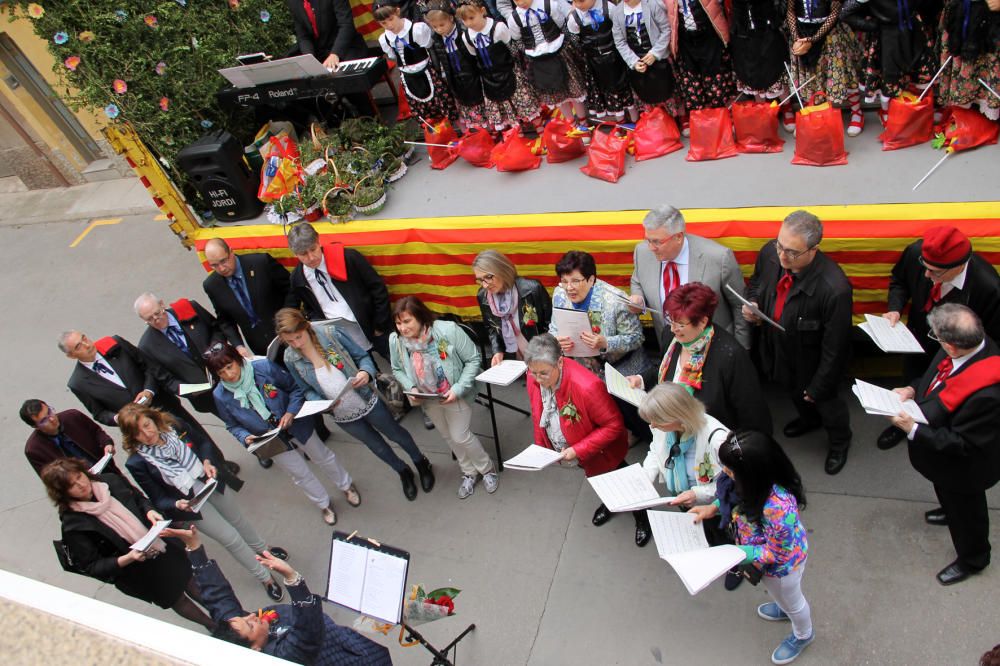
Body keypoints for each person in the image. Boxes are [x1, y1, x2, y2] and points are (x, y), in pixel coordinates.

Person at [118, 404, 287, 601]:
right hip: (192, 505)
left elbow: (204, 443)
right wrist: (176, 505)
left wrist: (207, 461)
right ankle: (265, 577)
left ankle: (263, 550)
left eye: (147, 425)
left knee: (239, 521)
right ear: (131, 437)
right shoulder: (137, 463)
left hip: (211, 482)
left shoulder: (174, 425)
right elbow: (158, 498)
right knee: (230, 538)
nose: (146, 434)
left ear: (153, 419)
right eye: (138, 433)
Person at [885, 304, 1000, 586]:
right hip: (944, 461)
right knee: (948, 496)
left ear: (951, 345)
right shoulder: (966, 346)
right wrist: (912, 389)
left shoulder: (988, 395)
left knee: (968, 514)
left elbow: (963, 445)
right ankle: (948, 510)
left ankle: (974, 558)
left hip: (964, 468)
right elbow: (934, 378)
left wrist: (912, 429)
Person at [163, 525, 392, 664]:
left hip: (342, 639)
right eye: (250, 626)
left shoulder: (237, 630)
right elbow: (308, 629)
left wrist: (194, 548)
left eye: (244, 618)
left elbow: (218, 597)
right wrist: (292, 579)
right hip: (350, 659)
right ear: (255, 650)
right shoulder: (284, 656)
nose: (251, 616)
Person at [276, 307, 435, 501]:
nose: (296, 344)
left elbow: (362, 356)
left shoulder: (330, 334)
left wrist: (365, 373)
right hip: (342, 414)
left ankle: (420, 461)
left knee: (396, 434)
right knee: (376, 446)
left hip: (366, 398)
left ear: (306, 326)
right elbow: (305, 389)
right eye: (289, 341)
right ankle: (403, 471)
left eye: (298, 337)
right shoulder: (290, 357)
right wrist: (321, 403)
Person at [41, 459, 215, 631]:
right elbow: (92, 566)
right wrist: (128, 558)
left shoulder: (109, 481)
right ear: (63, 493)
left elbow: (139, 499)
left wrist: (150, 511)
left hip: (160, 545)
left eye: (79, 476)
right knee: (177, 599)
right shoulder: (74, 524)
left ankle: (225, 616)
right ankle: (214, 627)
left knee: (191, 582)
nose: (81, 484)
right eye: (72, 485)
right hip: (139, 571)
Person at [743, 210, 853, 475]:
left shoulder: (834, 288)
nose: (781, 256)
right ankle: (809, 420)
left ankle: (839, 441)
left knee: (827, 405)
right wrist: (754, 302)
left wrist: (819, 386)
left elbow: (835, 348)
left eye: (792, 252)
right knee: (793, 393)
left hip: (812, 363)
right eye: (780, 245)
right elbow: (756, 283)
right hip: (778, 350)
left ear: (813, 250)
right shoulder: (771, 254)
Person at [690, 431, 813, 664]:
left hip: (783, 568)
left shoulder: (778, 507)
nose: (724, 472)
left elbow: (777, 553)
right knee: (781, 597)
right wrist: (713, 508)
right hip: (759, 556)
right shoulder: (750, 483)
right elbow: (734, 499)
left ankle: (803, 634)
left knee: (793, 602)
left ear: (752, 474)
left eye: (729, 470)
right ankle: (783, 606)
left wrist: (740, 553)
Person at [877, 226, 1000, 450]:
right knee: (913, 380)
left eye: (935, 272)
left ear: (960, 266)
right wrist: (895, 308)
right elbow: (899, 281)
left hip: (954, 355)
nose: (926, 275)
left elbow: (991, 339)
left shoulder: (988, 288)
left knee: (939, 393)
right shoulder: (918, 254)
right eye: (925, 267)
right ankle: (901, 424)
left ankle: (929, 430)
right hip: (914, 339)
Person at [207, 342, 357, 525]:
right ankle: (323, 503)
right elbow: (232, 425)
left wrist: (290, 412)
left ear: (238, 359)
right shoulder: (220, 395)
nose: (229, 375)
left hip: (296, 424)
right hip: (270, 439)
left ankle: (346, 485)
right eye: (221, 373)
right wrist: (244, 436)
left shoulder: (263, 367)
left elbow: (294, 388)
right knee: (299, 474)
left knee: (322, 456)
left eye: (230, 367)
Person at [60, 329, 242, 480]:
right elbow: (99, 413)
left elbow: (147, 366)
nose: (86, 344)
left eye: (84, 338)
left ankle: (221, 466)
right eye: (78, 346)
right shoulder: (78, 383)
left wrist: (149, 390)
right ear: (70, 355)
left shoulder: (115, 344)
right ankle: (197, 478)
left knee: (193, 434)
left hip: (161, 404)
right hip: (139, 426)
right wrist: (121, 416)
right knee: (167, 452)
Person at [525, 334, 649, 545]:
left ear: (560, 362)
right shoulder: (535, 375)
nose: (538, 379)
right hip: (573, 450)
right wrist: (541, 447)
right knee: (598, 479)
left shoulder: (588, 386)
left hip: (602, 451)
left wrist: (578, 450)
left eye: (543, 373)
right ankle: (611, 503)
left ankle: (642, 513)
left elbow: (613, 425)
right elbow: (538, 411)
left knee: (619, 475)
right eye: (533, 372)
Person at [390, 296, 500, 499]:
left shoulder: (448, 330)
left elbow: (473, 359)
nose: (402, 328)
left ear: (421, 318)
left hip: (455, 392)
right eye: (398, 322)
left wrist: (457, 389)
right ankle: (468, 472)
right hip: (427, 397)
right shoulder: (396, 341)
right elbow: (397, 369)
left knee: (460, 435)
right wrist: (412, 386)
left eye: (407, 321)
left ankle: (486, 469)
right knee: (448, 436)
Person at [637, 383, 743, 589]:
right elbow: (654, 450)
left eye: (656, 421)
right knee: (706, 531)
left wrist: (697, 494)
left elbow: (735, 481)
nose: (652, 425)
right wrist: (647, 475)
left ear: (676, 418)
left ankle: (734, 564)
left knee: (725, 534)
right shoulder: (664, 430)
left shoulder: (718, 438)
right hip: (683, 497)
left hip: (714, 504)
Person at [631, 283, 773, 435]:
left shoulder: (730, 356)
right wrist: (642, 379)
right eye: (670, 320)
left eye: (680, 324)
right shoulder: (671, 335)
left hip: (711, 437)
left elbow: (752, 413)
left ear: (703, 321)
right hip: (674, 432)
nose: (673, 328)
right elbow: (666, 371)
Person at [548, 250, 649, 442]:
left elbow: (637, 337)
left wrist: (606, 343)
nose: (569, 288)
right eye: (564, 281)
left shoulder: (616, 301)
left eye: (576, 281)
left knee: (632, 412)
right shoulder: (559, 294)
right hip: (584, 362)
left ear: (591, 279)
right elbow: (554, 327)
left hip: (621, 362)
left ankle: (637, 432)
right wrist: (557, 340)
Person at [629, 204, 750, 351]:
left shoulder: (718, 258)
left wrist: (741, 350)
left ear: (678, 237)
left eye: (657, 242)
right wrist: (638, 297)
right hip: (669, 350)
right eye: (648, 240)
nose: (651, 247)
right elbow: (638, 280)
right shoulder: (642, 252)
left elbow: (740, 306)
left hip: (713, 349)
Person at [285, 222, 392, 361]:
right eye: (303, 254)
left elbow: (378, 289)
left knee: (395, 361)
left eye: (313, 249)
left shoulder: (348, 258)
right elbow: (306, 307)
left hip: (371, 326)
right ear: (295, 254)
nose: (311, 257)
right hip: (341, 338)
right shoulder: (298, 278)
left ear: (318, 240)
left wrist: (380, 325)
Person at [134, 292, 227, 418]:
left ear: (162, 304)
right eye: (149, 319)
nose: (156, 319)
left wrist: (216, 350)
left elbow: (216, 328)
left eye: (157, 313)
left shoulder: (189, 309)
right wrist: (186, 390)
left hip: (227, 370)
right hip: (206, 395)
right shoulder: (147, 346)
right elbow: (165, 379)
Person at [458, 0, 541, 132]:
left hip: (509, 72)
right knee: (505, 111)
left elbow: (511, 47)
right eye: (464, 20)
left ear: (482, 11)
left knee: (524, 104)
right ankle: (516, 138)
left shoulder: (498, 27)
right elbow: (474, 54)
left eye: (471, 18)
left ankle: (540, 131)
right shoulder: (466, 36)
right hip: (489, 78)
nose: (469, 23)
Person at [784, 0, 864, 135]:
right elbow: (791, 9)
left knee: (843, 72)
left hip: (830, 33)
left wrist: (813, 39)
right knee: (810, 76)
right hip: (802, 32)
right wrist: (797, 37)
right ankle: (815, 115)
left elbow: (835, 12)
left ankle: (857, 112)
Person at [507, 0, 590, 128]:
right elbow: (517, 40)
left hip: (559, 53)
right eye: (516, 0)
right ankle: (572, 125)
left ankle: (583, 124)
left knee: (574, 91)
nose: (521, 2)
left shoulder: (548, 4)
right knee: (557, 96)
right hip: (538, 61)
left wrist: (567, 46)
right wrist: (530, 52)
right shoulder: (514, 18)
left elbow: (562, 25)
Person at [202, 238, 291, 357]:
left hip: (289, 332)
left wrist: (288, 319)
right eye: (215, 265)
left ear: (231, 252)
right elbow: (225, 320)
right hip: (262, 348)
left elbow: (290, 289)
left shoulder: (261, 263)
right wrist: (238, 345)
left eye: (223, 261)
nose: (222, 268)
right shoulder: (212, 285)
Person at [374, 0, 460, 124]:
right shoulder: (385, 39)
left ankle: (452, 128)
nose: (389, 25)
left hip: (426, 71)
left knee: (440, 102)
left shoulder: (416, 29)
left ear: (397, 12)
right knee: (422, 109)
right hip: (407, 76)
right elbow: (392, 55)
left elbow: (429, 45)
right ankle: (434, 133)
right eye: (383, 23)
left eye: (391, 19)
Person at [664, 0, 737, 130]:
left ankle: (722, 118)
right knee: (691, 82)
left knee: (715, 80)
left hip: (709, 36)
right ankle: (702, 124)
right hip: (685, 39)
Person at [473, 249, 553, 367]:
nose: (485, 285)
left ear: (502, 270)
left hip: (541, 354)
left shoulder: (532, 289)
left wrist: (544, 352)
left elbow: (550, 323)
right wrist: (497, 350)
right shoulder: (483, 295)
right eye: (480, 279)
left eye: (488, 277)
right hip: (512, 358)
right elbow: (490, 327)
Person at [566, 0, 636, 124]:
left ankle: (636, 120)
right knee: (608, 92)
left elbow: (621, 30)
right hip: (595, 62)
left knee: (625, 88)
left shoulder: (608, 8)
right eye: (576, 2)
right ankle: (621, 122)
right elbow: (575, 39)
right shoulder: (574, 18)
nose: (579, 5)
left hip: (615, 57)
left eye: (582, 1)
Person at [425, 1, 491, 130]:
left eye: (442, 25)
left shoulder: (463, 32)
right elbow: (440, 59)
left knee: (478, 98)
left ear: (451, 18)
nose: (439, 29)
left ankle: (489, 127)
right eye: (435, 27)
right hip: (454, 74)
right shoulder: (438, 40)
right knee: (463, 100)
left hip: (471, 71)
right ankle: (476, 130)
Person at [21, 399, 122, 477]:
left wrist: (107, 443)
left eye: (49, 412)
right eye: (44, 420)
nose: (51, 419)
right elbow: (51, 479)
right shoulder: (34, 450)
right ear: (35, 427)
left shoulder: (73, 416)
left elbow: (96, 432)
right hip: (81, 489)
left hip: (108, 470)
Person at [936, 0, 1000, 121]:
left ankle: (986, 115)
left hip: (992, 22)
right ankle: (964, 115)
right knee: (964, 63)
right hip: (962, 15)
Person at [611, 0, 675, 108]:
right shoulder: (617, 12)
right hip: (637, 60)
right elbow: (620, 41)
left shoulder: (653, 4)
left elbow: (666, 29)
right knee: (645, 93)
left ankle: (676, 118)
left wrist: (655, 53)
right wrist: (633, 61)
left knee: (666, 89)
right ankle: (652, 120)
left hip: (658, 57)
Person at [729, 0, 788, 102]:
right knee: (752, 73)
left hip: (769, 31)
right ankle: (761, 109)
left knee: (775, 69)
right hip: (744, 34)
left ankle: (785, 105)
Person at [286, 0, 370, 71]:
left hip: (345, 47)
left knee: (345, 80)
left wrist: (335, 53)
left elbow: (346, 25)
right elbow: (303, 36)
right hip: (319, 52)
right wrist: (310, 59)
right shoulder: (293, 2)